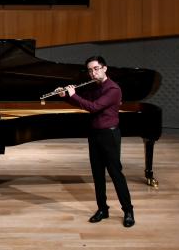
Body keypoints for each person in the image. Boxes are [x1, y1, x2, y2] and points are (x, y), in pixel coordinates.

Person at [56, 56, 135, 228]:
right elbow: (83, 103)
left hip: (109, 136)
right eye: (90, 70)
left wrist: (74, 95)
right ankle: (102, 209)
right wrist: (65, 96)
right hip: (94, 134)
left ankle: (128, 211)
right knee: (97, 175)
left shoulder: (113, 89)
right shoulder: (95, 87)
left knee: (116, 175)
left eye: (96, 68)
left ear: (105, 68)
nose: (93, 72)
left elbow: (93, 107)